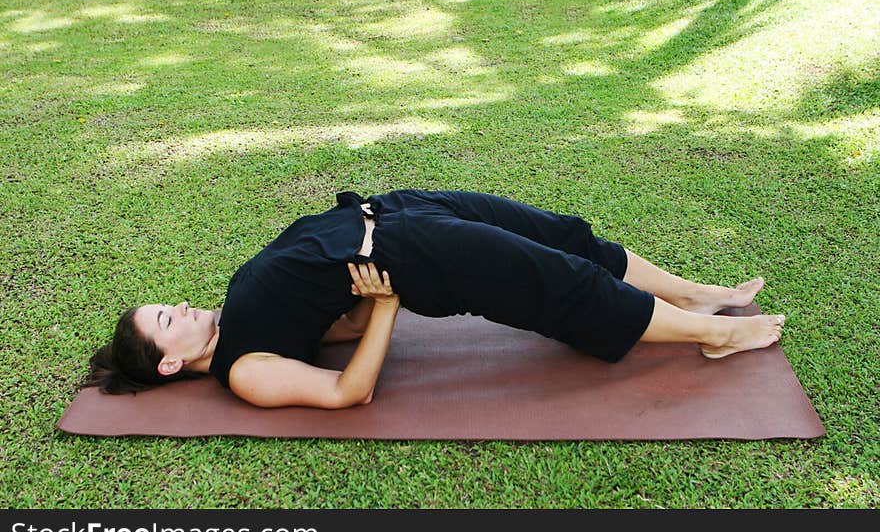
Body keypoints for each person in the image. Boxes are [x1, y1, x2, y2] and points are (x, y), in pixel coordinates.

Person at [84, 189, 785, 409]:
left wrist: (361, 311)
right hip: (416, 256)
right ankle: (709, 332)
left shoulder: (244, 320)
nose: (178, 307)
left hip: (397, 213)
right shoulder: (244, 370)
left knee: (560, 234)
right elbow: (347, 392)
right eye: (166, 320)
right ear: (170, 363)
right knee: (555, 283)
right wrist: (388, 307)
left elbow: (332, 324)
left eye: (166, 304)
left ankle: (702, 293)